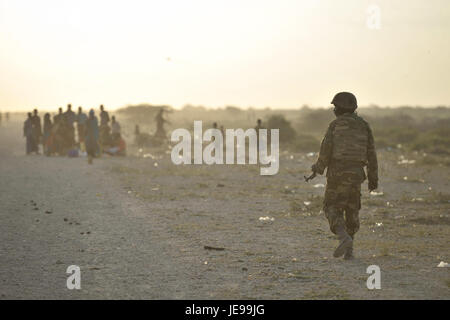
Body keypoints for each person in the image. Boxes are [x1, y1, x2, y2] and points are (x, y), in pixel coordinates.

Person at [311, 92, 378, 260]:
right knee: (352, 209)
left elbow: (325, 150)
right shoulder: (364, 126)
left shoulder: (335, 125)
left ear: (339, 108)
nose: (334, 110)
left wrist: (317, 169)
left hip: (337, 174)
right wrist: (373, 179)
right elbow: (371, 154)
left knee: (331, 207)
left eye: (335, 107)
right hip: (356, 174)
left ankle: (343, 237)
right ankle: (350, 251)